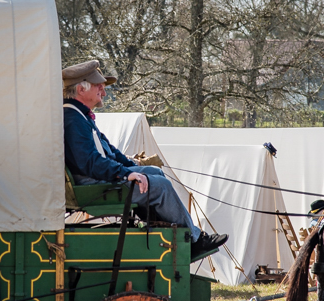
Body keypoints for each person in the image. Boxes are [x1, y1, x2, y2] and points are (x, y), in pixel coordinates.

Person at [62, 60, 227, 260]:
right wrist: (125, 173)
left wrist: (135, 166)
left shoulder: (80, 115)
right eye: (99, 86)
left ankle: (169, 234)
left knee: (154, 173)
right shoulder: (73, 118)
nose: (103, 92)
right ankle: (192, 240)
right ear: (81, 89)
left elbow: (110, 152)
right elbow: (89, 162)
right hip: (90, 186)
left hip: (94, 179)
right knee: (161, 186)